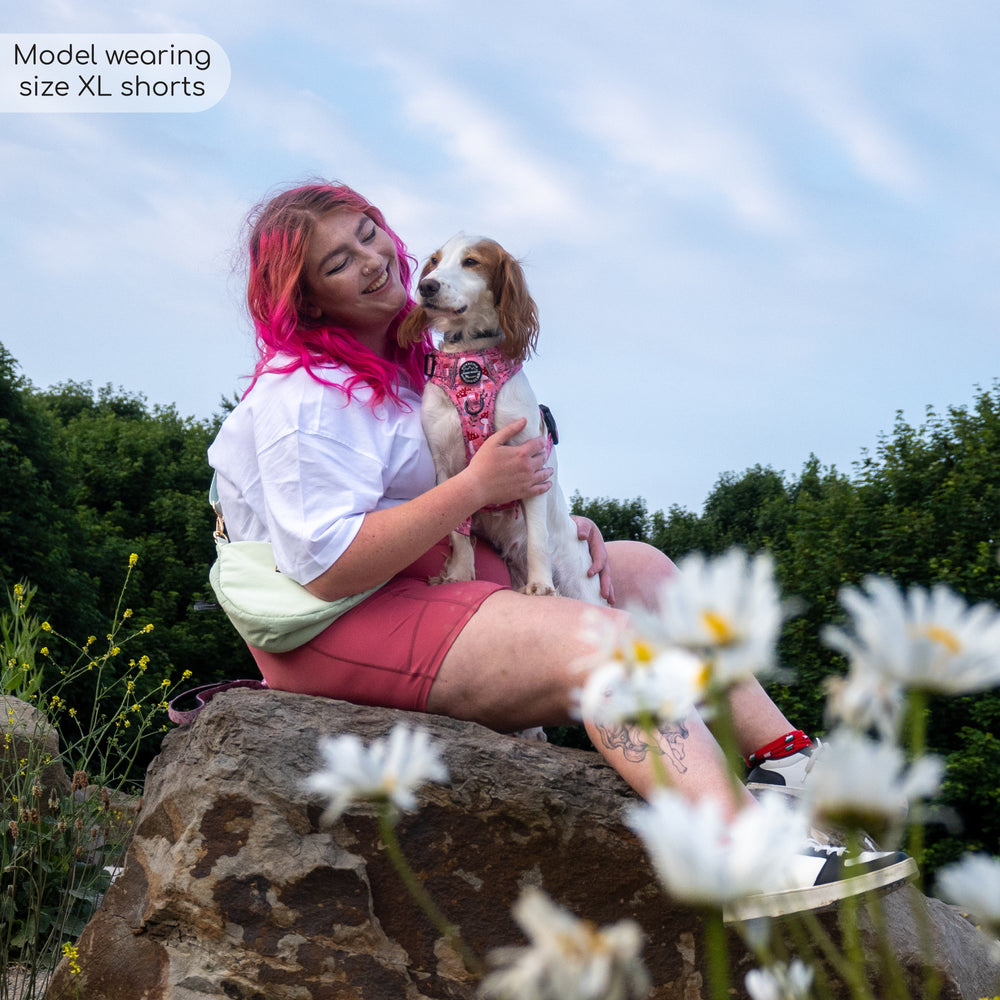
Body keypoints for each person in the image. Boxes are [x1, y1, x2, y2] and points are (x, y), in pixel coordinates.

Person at [208, 181, 911, 916]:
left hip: (415, 576)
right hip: (332, 621)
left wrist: (541, 522)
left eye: (368, 231)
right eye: (337, 262)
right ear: (309, 300)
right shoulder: (303, 399)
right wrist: (477, 490)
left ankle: (786, 769)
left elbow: (455, 480)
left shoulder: (421, 354)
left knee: (641, 572)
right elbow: (325, 567)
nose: (372, 259)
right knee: (603, 644)